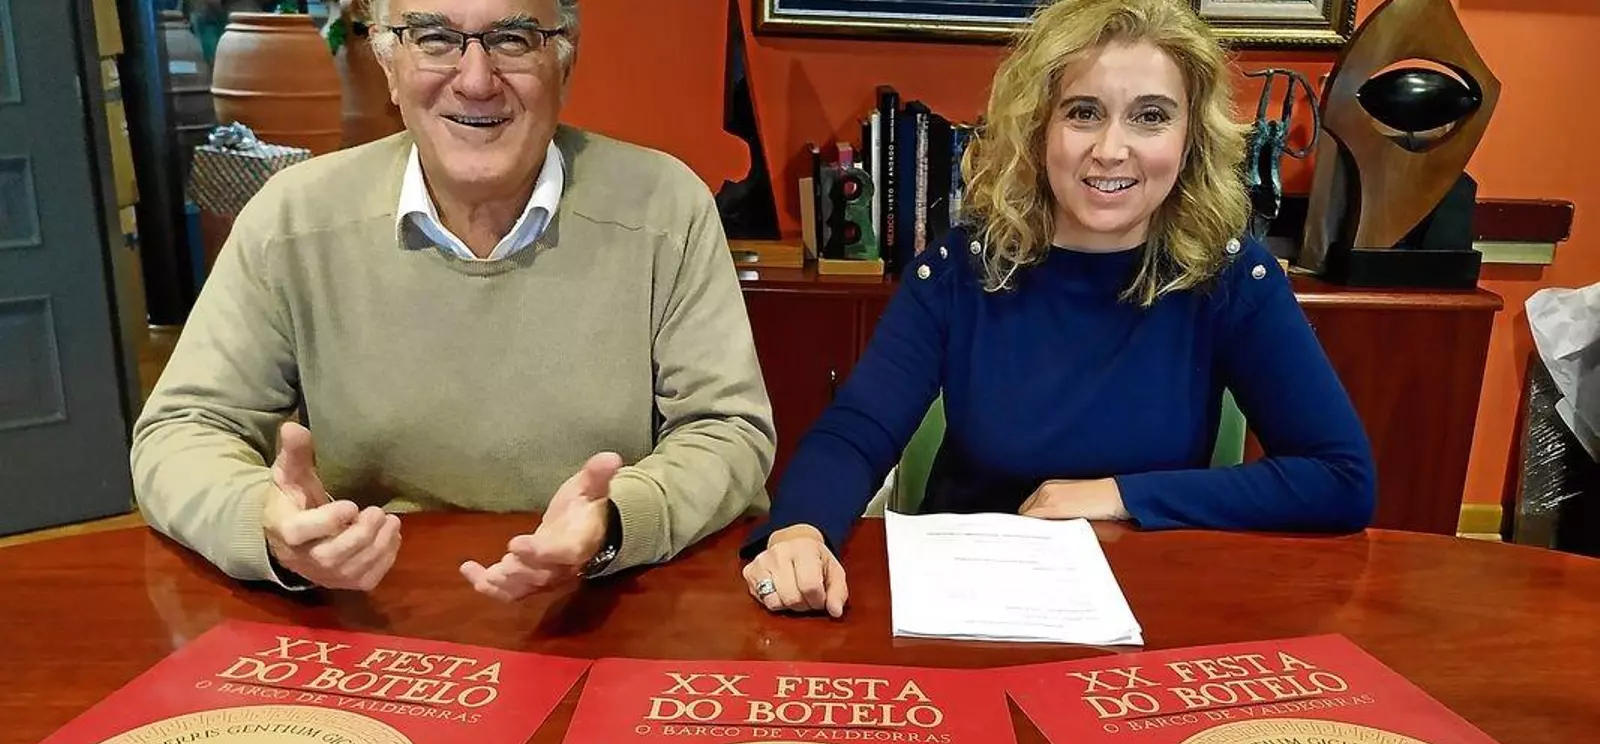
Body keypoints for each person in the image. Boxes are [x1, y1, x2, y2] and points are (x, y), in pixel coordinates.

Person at [739, 0, 1376, 618]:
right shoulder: (961, 268)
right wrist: (800, 530)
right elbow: (857, 431)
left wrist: (1120, 495)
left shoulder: (1231, 276)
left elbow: (1340, 478)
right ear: (1040, 127)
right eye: (1083, 112)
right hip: (964, 603)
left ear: (1191, 138)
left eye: (1151, 116)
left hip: (1149, 606)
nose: (1111, 149)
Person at [131, 0, 775, 598]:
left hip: (610, 603)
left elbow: (727, 430)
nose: (475, 80)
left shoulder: (666, 208)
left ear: (564, 60)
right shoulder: (291, 219)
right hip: (372, 613)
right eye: (434, 38)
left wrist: (618, 523)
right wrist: (266, 521)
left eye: (513, 39)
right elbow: (181, 432)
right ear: (388, 62)